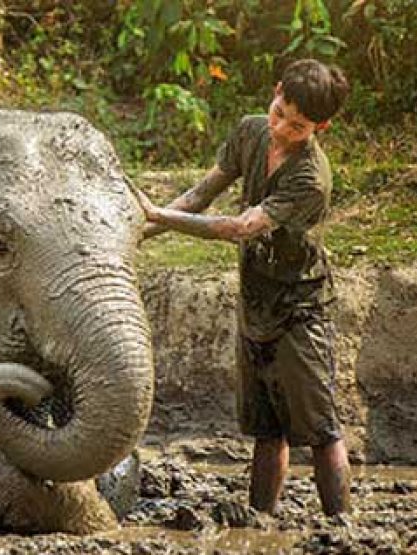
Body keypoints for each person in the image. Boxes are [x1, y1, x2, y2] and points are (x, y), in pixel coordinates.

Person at [131, 59, 351, 516]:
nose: (283, 129)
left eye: (298, 125)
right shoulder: (251, 131)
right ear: (275, 93)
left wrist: (159, 215)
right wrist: (137, 233)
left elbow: (240, 226)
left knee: (321, 428)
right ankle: (260, 520)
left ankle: (344, 526)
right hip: (256, 301)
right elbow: (201, 194)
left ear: (321, 126)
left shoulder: (311, 179)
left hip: (299, 309)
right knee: (266, 428)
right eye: (280, 112)